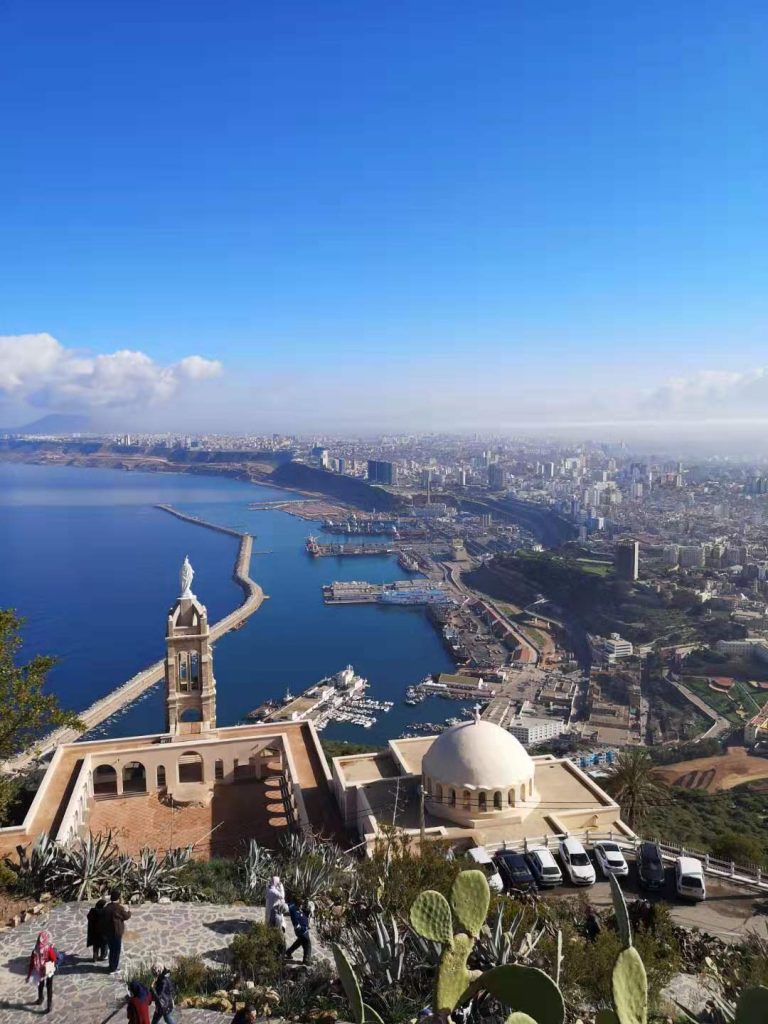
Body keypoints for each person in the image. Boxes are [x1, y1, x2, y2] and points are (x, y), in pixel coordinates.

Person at [26, 930, 57, 1014]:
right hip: (48, 970)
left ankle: (40, 999)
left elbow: (31, 964)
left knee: (40, 985)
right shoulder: (49, 948)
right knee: (49, 987)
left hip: (39, 971)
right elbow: (54, 958)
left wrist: (28, 976)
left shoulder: (35, 950)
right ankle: (49, 1005)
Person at [103, 889, 132, 973]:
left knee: (111, 950)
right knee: (116, 951)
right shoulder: (119, 908)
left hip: (108, 932)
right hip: (116, 932)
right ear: (118, 898)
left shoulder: (107, 908)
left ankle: (111, 965)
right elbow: (126, 916)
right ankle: (114, 968)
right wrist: (129, 910)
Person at [285, 899, 312, 964]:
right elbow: (297, 926)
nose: (301, 907)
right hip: (302, 931)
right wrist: (305, 928)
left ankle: (289, 952)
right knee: (307, 944)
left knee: (299, 942)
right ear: (297, 905)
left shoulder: (296, 909)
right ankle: (306, 959)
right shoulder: (294, 913)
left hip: (302, 931)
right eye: (300, 905)